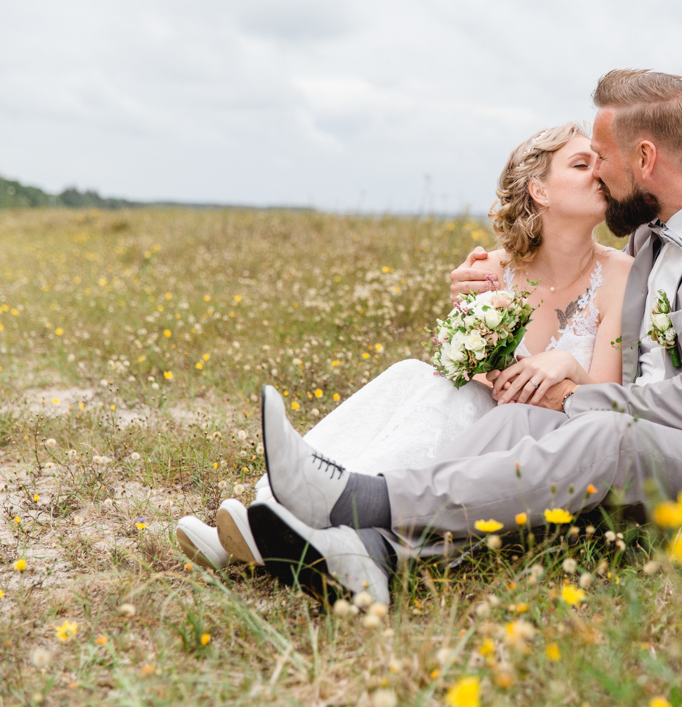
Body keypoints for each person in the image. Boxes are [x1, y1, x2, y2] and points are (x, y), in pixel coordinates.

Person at [252, 69, 682, 607]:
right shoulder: (649, 236)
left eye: (602, 160)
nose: (600, 178)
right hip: (671, 450)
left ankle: (359, 502)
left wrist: (570, 396)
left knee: (602, 434)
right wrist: (485, 302)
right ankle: (370, 553)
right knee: (519, 424)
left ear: (643, 160)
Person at [174, 122, 634, 599]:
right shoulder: (492, 271)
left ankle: (302, 522)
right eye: (582, 165)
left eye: (598, 164)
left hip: (538, 444)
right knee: (414, 375)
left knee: (465, 405)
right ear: (539, 190)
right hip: (487, 414)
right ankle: (264, 510)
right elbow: (465, 366)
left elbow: (605, 404)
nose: (598, 174)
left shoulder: (620, 275)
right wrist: (475, 347)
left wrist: (566, 363)